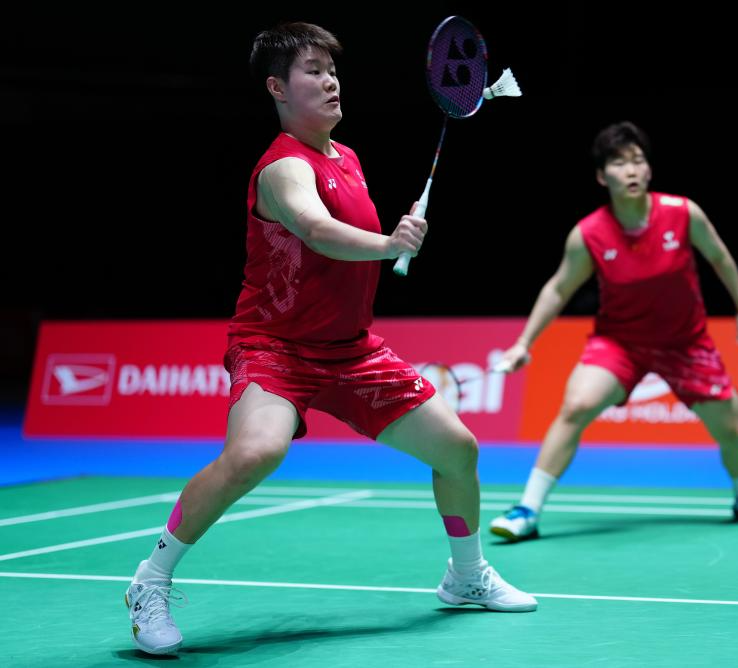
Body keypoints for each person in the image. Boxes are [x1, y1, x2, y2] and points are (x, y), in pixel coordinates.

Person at [124, 22, 536, 656]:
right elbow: (315, 230)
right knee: (255, 452)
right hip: (276, 347)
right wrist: (390, 244)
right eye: (313, 71)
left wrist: (388, 241)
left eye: (333, 70)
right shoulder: (282, 168)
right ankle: (150, 581)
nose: (330, 81)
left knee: (458, 450)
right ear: (277, 88)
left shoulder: (347, 158)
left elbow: (343, 243)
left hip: (351, 350)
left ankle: (466, 576)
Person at [489, 121, 738, 542]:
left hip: (685, 342)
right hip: (620, 343)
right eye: (619, 163)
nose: (631, 170)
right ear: (601, 176)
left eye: (638, 161)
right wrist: (523, 343)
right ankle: (527, 510)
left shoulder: (682, 213)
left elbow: (719, 256)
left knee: (732, 428)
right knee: (576, 406)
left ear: (649, 170)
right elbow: (558, 289)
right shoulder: (588, 234)